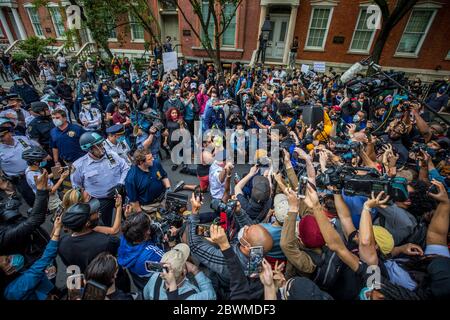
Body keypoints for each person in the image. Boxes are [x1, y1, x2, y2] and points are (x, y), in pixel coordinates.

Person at [71, 132, 130, 227]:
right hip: (101, 201)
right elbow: (76, 186)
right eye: (98, 146)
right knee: (104, 225)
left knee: (128, 217)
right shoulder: (79, 166)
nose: (102, 147)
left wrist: (120, 184)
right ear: (89, 149)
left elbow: (125, 168)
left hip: (120, 193)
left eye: (102, 144)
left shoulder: (112, 155)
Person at [1, 215, 63, 300]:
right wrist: (57, 232)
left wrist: (55, 229)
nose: (12, 257)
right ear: (6, 272)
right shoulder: (16, 289)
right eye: (8, 260)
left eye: (8, 256)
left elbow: (44, 251)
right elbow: (44, 259)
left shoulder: (18, 271)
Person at [0, 170, 50, 269]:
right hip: (34, 261)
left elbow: (12, 204)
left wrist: (9, 190)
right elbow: (35, 220)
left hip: (40, 244)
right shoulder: (2, 236)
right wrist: (41, 190)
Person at [143, 243, 217, 300]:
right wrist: (195, 270)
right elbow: (212, 295)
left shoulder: (155, 277)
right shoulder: (191, 295)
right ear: (184, 272)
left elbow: (145, 294)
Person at [117, 212, 164, 288]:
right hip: (152, 281)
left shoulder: (124, 238)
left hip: (138, 279)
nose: (150, 229)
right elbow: (166, 267)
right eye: (148, 228)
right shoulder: (150, 254)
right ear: (146, 234)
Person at [0, 118, 39, 207]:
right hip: (20, 179)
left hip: (35, 172)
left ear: (9, 133)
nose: (1, 139)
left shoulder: (22, 139)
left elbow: (36, 146)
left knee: (43, 190)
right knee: (30, 197)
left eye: (2, 136)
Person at [22, 146, 68, 214]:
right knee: (62, 215)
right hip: (51, 200)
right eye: (42, 159)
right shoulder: (34, 176)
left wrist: (56, 172)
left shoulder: (33, 168)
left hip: (53, 194)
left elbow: (45, 177)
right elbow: (50, 191)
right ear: (35, 162)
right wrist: (62, 179)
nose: (44, 160)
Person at [124, 148, 171, 213]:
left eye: (152, 157)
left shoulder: (155, 163)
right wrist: (141, 215)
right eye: (149, 159)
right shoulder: (131, 178)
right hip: (149, 207)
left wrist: (168, 189)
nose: (153, 159)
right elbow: (134, 202)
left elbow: (164, 177)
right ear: (141, 162)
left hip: (164, 199)